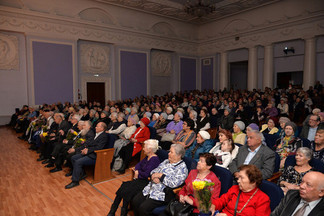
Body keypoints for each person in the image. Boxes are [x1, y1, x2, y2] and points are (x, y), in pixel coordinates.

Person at [131, 144, 188, 216]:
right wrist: (154, 176)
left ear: (179, 155)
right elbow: (154, 170)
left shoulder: (182, 168)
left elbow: (174, 183)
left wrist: (161, 176)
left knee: (143, 208)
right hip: (151, 188)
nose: (168, 153)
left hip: (162, 194)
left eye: (171, 152)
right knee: (135, 201)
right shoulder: (166, 161)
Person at [107, 139, 160, 216]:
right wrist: (137, 172)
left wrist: (138, 173)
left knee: (127, 190)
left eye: (144, 147)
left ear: (150, 149)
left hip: (146, 183)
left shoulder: (154, 160)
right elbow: (138, 165)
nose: (143, 148)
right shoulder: (148, 156)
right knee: (124, 187)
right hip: (139, 180)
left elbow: (147, 174)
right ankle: (113, 211)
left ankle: (119, 212)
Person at [65, 122, 108, 189]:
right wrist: (80, 149)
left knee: (78, 162)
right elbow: (88, 144)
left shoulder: (104, 136)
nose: (95, 127)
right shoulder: (95, 134)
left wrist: (88, 150)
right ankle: (82, 173)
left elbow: (99, 148)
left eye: (97, 126)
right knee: (73, 157)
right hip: (89, 152)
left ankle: (75, 181)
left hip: (96, 155)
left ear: (102, 128)